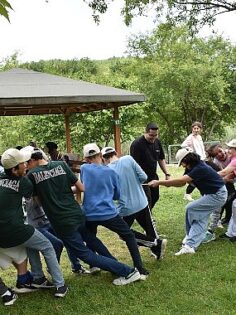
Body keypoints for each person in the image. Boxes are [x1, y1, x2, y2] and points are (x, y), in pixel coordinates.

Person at [26, 148, 141, 286]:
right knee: (91, 239)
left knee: (84, 254)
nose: (26, 166)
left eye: (27, 163)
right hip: (77, 213)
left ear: (33, 160)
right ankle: (114, 265)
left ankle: (127, 271)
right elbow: (82, 188)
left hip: (61, 221)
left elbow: (38, 202)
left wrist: (50, 195)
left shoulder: (32, 175)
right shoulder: (61, 165)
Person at [0, 148, 68, 297]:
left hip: (4, 234)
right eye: (22, 163)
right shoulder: (23, 182)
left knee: (32, 243)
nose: (25, 165)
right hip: (15, 230)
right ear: (13, 169)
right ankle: (60, 285)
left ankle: (38, 278)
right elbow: (31, 193)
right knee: (48, 246)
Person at [80, 143, 148, 279]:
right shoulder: (111, 172)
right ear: (100, 155)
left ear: (86, 158)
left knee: (91, 236)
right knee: (128, 236)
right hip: (108, 213)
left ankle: (93, 265)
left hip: (90, 213)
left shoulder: (84, 168)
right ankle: (140, 268)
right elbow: (117, 195)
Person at [148, 147, 227, 255]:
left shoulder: (200, 167)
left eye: (182, 163)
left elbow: (182, 180)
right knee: (200, 219)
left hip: (217, 195)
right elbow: (182, 183)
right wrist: (167, 184)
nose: (182, 165)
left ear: (187, 159)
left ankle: (189, 238)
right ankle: (190, 245)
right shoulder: (192, 167)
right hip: (212, 194)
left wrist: (159, 182)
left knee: (190, 209)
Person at [101, 146, 167, 259]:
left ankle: (154, 243)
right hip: (142, 202)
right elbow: (143, 177)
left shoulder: (106, 171)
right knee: (149, 228)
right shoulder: (128, 159)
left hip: (126, 208)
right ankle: (157, 249)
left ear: (103, 158)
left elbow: (111, 192)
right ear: (116, 153)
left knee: (123, 234)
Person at [130, 122, 170, 210]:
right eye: (151, 135)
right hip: (141, 178)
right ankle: (148, 218)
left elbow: (161, 158)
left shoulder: (157, 142)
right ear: (146, 132)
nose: (153, 138)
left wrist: (167, 173)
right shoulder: (136, 144)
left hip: (153, 176)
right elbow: (133, 164)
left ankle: (145, 216)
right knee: (147, 199)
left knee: (155, 197)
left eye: (156, 135)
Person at [206, 144, 235, 225]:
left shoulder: (231, 155)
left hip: (229, 177)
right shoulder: (216, 162)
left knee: (231, 199)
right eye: (216, 154)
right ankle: (222, 219)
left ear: (222, 148)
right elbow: (223, 175)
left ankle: (228, 218)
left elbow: (226, 173)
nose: (219, 154)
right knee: (225, 199)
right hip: (227, 181)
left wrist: (209, 178)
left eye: (220, 151)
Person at [181, 121, 206, 201]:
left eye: (197, 128)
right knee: (194, 177)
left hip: (201, 159)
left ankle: (202, 193)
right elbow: (183, 145)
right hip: (194, 161)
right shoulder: (190, 137)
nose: (196, 130)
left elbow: (201, 148)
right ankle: (187, 194)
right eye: (194, 128)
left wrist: (204, 156)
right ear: (192, 129)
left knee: (198, 177)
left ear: (200, 129)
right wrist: (190, 151)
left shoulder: (199, 137)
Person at [218, 139, 236, 241]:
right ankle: (231, 233)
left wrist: (208, 176)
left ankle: (232, 233)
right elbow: (231, 174)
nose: (228, 150)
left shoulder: (234, 160)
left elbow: (224, 172)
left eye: (230, 148)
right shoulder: (234, 159)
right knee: (234, 205)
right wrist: (222, 180)